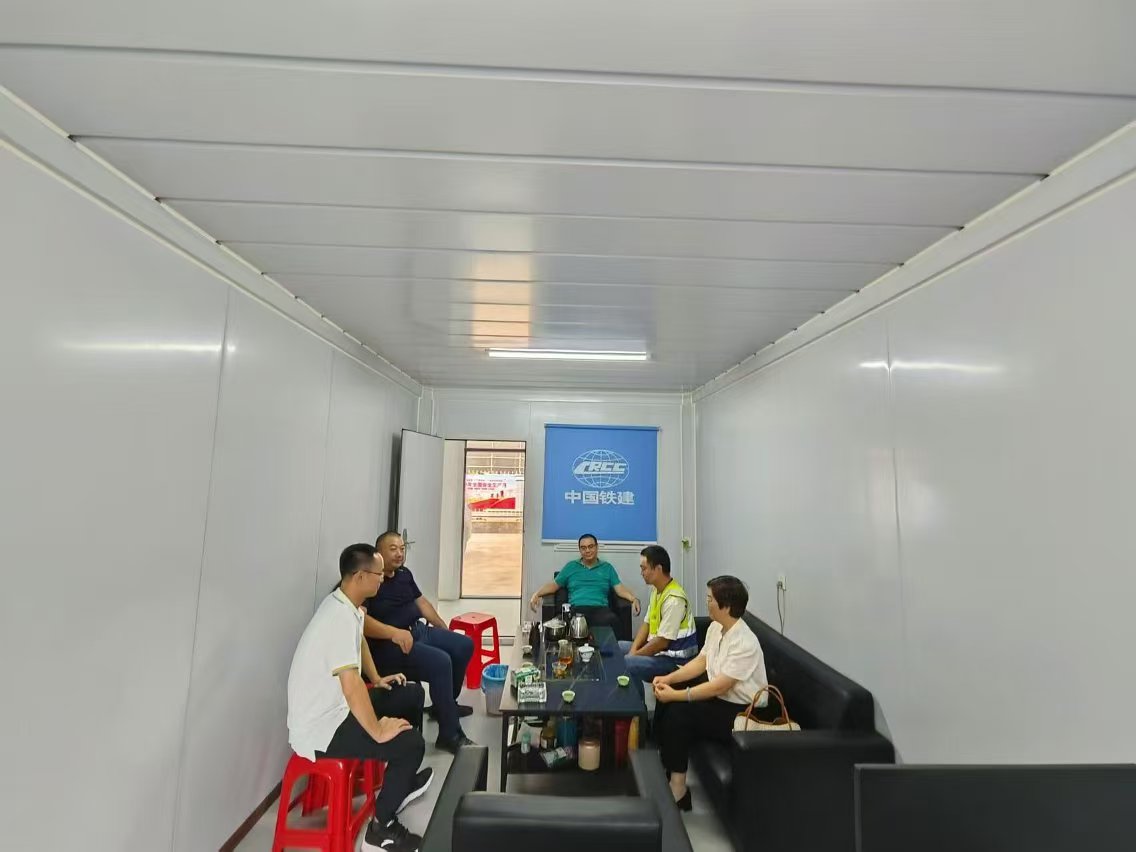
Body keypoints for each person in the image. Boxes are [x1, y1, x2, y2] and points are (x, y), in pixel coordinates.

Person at [287, 543, 431, 852]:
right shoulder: (338, 618)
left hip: (338, 707)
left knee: (411, 694)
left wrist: (377, 679)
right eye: (378, 575)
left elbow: (360, 640)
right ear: (360, 577)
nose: (382, 579)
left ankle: (400, 782)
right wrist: (377, 730)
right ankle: (380, 831)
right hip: (323, 728)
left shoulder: (348, 606)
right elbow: (351, 685)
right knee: (411, 744)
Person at [651, 575, 773, 811]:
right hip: (723, 699)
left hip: (743, 712)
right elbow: (701, 661)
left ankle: (679, 791)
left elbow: (720, 686)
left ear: (726, 606)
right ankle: (665, 765)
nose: (706, 603)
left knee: (680, 712)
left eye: (710, 599)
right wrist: (669, 679)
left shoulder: (745, 642)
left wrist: (677, 695)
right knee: (667, 694)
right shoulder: (716, 627)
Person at [364, 531, 476, 754]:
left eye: (402, 548)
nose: (399, 553)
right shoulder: (371, 580)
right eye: (393, 549)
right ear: (378, 553)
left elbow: (421, 603)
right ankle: (450, 735)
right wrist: (393, 633)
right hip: (391, 645)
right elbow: (361, 622)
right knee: (441, 662)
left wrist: (443, 627)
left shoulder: (404, 574)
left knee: (463, 645)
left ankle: (445, 705)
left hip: (418, 630)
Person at [617, 545, 697, 696]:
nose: (641, 573)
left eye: (644, 568)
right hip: (660, 653)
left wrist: (634, 656)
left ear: (658, 569)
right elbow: (646, 624)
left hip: (675, 662)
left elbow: (661, 642)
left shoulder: (674, 599)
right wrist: (633, 651)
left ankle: (638, 708)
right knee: (619, 647)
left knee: (627, 663)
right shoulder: (657, 590)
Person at [528, 533, 641, 629]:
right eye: (583, 548)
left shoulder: (607, 568)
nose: (587, 550)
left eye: (590, 546)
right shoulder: (571, 567)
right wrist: (537, 594)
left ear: (597, 547)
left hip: (601, 610)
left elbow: (620, 589)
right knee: (562, 624)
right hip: (576, 610)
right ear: (580, 550)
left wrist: (633, 599)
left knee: (613, 623)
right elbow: (553, 585)